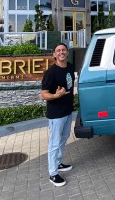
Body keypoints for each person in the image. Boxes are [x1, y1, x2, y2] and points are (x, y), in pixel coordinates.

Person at [41, 43, 75, 187]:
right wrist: (56, 95)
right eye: (58, 51)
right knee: (54, 143)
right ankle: (53, 173)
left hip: (67, 111)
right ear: (54, 55)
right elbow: (43, 94)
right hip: (56, 115)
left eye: (63, 50)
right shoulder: (51, 72)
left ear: (67, 53)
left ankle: (58, 163)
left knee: (64, 138)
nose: (61, 52)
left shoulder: (70, 67)